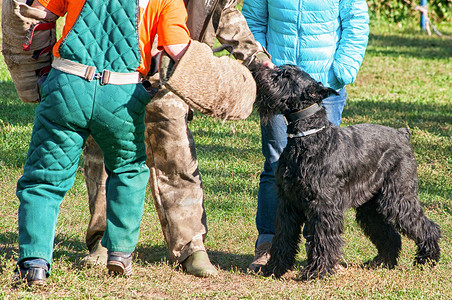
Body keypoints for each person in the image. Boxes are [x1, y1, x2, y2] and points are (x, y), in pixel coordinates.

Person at [79, 0, 273, 278]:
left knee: (178, 156)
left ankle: (191, 247)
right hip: (111, 70)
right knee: (103, 154)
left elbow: (228, 18)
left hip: (171, 75)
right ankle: (104, 241)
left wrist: (257, 58)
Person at [14, 0, 194, 287]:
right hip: (121, 96)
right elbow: (177, 50)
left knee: (43, 179)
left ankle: (34, 263)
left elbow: (37, 15)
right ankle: (120, 253)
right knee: (129, 171)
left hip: (68, 86)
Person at [242, 0, 369, 271]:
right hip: (279, 82)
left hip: (322, 83)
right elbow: (253, 18)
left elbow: (356, 21)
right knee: (276, 164)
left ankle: (322, 251)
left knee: (325, 178)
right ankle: (269, 245)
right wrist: (263, 62)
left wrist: (342, 69)